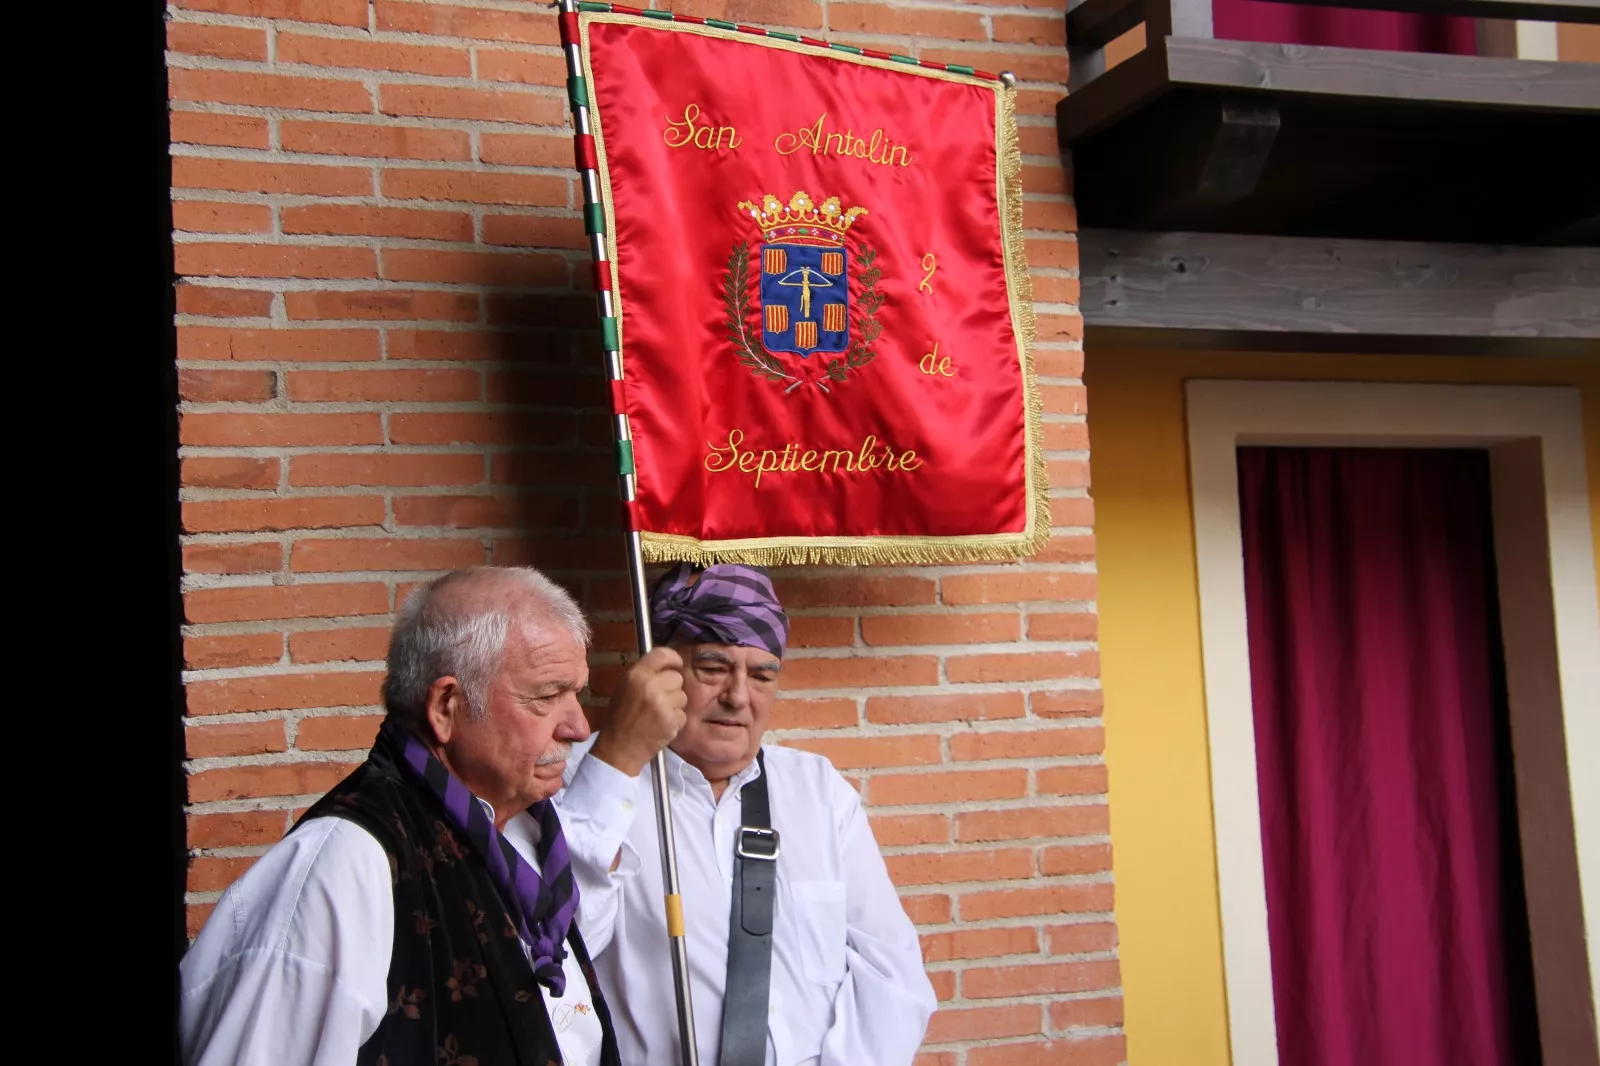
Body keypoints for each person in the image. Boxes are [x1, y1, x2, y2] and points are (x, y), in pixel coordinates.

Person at [179, 566, 680, 1066]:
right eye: (546, 697)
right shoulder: (348, 867)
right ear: (446, 706)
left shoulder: (526, 833)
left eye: (576, 692)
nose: (577, 725)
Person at [555, 562, 937, 1066]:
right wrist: (618, 762)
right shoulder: (585, 783)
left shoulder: (817, 791)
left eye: (761, 675)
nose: (738, 697)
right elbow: (557, 953)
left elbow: (893, 975)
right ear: (660, 671)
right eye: (713, 668)